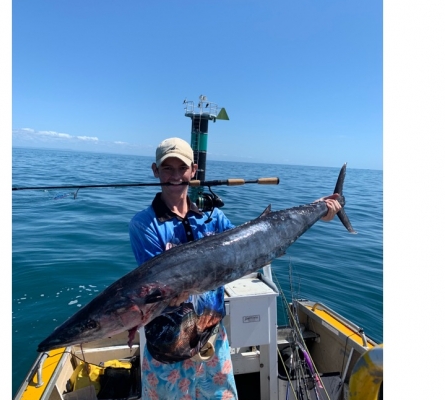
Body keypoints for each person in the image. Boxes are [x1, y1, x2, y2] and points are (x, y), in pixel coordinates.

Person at [128, 137, 341, 400]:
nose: (175, 176)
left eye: (181, 168)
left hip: (212, 343)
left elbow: (252, 246)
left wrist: (320, 209)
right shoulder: (144, 225)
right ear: (155, 171)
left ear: (193, 171)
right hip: (167, 352)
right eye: (167, 169)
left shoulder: (213, 218)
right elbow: (160, 289)